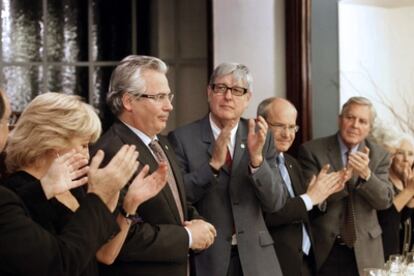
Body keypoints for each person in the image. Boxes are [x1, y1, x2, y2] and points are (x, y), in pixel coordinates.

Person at [2, 92, 168, 275]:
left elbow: (105, 255)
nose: (87, 155)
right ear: (54, 140)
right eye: (83, 145)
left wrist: (130, 205)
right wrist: (99, 197)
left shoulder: (75, 186)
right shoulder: (16, 193)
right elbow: (58, 263)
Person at [90, 55, 216, 276]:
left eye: (168, 96)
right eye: (159, 97)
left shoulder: (161, 143)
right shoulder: (112, 152)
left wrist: (200, 223)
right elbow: (118, 237)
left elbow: (176, 202)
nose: (169, 106)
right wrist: (187, 237)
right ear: (128, 101)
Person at [168, 62, 286, 276]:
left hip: (257, 259)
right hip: (207, 257)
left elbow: (275, 202)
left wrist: (257, 160)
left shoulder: (261, 135)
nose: (228, 96)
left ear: (248, 98)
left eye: (237, 90)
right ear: (208, 92)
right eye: (220, 88)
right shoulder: (182, 138)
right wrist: (212, 165)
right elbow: (178, 198)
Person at [298, 96, 394, 275]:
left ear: (369, 127)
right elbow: (308, 201)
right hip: (325, 249)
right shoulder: (312, 151)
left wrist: (366, 175)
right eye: (350, 118)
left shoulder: (380, 155)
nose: (355, 125)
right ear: (340, 119)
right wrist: (340, 180)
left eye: (362, 121)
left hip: (366, 250)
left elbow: (385, 201)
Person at [257, 97, 346, 276]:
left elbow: (301, 212)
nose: (287, 134)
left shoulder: (291, 163)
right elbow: (269, 215)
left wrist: (321, 196)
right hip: (273, 264)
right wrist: (310, 198)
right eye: (280, 126)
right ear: (262, 125)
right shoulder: (256, 166)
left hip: (305, 262)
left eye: (292, 127)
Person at [372, 130, 414, 260]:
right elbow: (387, 220)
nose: (406, 159)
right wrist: (409, 192)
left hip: (404, 260)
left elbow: (406, 220)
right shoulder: (382, 182)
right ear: (391, 156)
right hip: (382, 257)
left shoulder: (408, 184)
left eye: (411, 154)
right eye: (401, 153)